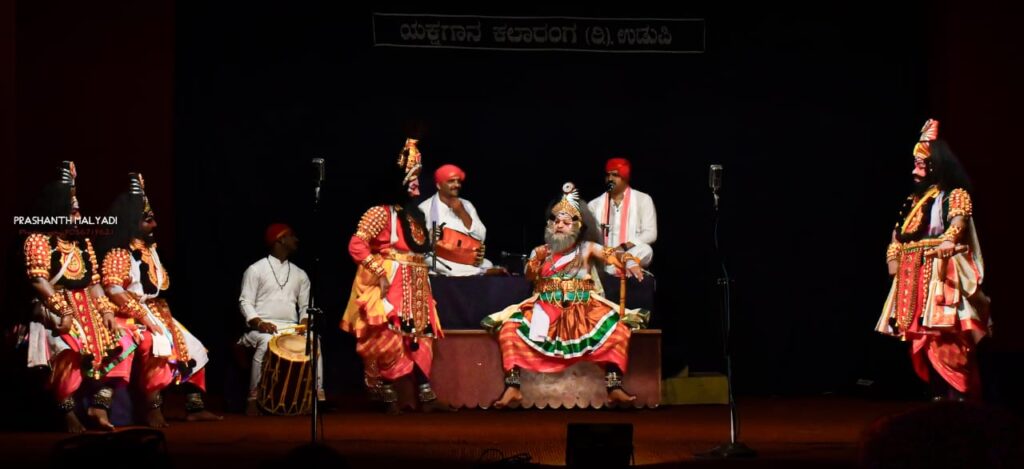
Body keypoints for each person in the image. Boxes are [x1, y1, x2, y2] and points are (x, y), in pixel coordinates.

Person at [486, 182, 644, 409]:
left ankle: (614, 388)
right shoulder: (540, 251)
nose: (559, 225)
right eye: (555, 221)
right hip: (545, 309)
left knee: (619, 330)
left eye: (565, 222)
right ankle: (513, 387)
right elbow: (530, 277)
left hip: (585, 309)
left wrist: (629, 261)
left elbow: (612, 255)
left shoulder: (587, 248)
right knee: (510, 330)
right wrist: (536, 260)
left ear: (578, 227)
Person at [876, 118, 991, 401]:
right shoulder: (913, 202)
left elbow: (958, 223)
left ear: (935, 165)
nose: (915, 169)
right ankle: (938, 398)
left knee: (945, 336)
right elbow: (898, 235)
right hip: (913, 276)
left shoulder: (955, 194)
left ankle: (960, 399)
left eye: (920, 162)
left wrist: (949, 241)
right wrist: (894, 259)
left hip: (942, 273)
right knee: (922, 340)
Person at [340, 138, 454, 414]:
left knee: (420, 337)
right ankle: (386, 394)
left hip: (415, 282)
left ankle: (426, 394)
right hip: (391, 281)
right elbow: (357, 244)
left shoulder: (413, 216)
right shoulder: (379, 212)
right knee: (388, 338)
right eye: (412, 178)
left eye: (418, 178)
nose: (417, 184)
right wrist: (378, 272)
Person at [22, 161, 137, 432]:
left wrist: (107, 311)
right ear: (56, 211)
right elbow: (39, 281)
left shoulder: (83, 243)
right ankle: (67, 411)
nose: (78, 217)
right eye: (72, 211)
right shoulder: (38, 240)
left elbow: (94, 283)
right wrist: (63, 311)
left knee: (125, 339)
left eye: (78, 211)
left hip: (86, 306)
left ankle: (100, 404)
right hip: (52, 307)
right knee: (68, 348)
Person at [100, 173, 221, 426]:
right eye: (148, 220)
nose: (154, 225)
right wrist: (143, 316)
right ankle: (153, 409)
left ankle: (195, 407)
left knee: (195, 346)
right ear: (133, 221)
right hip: (125, 314)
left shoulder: (148, 249)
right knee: (155, 345)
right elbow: (113, 289)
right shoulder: (119, 251)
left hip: (153, 309)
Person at [238, 223, 322, 415]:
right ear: (280, 239)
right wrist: (259, 322)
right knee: (265, 343)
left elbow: (305, 307)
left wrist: (305, 323)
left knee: (314, 341)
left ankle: (314, 396)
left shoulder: (301, 274)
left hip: (290, 328)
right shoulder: (256, 269)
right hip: (260, 329)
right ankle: (253, 398)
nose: (296, 240)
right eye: (292, 236)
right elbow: (245, 301)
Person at [418, 163, 498, 276]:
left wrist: (462, 212)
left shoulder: (466, 205)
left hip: (464, 257)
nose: (457, 185)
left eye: (458, 181)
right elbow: (417, 245)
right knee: (433, 263)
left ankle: (479, 270)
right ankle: (480, 272)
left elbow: (481, 237)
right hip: (440, 259)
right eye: (451, 181)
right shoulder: (424, 208)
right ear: (439, 185)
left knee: (486, 262)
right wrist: (429, 238)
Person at [587, 157, 657, 275]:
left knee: (647, 250)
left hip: (630, 253)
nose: (610, 179)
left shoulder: (643, 199)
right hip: (603, 257)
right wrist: (605, 253)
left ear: (626, 177)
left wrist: (622, 248)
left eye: (615, 175)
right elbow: (589, 237)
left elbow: (650, 234)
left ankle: (616, 268)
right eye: (608, 175)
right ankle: (617, 268)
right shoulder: (594, 205)